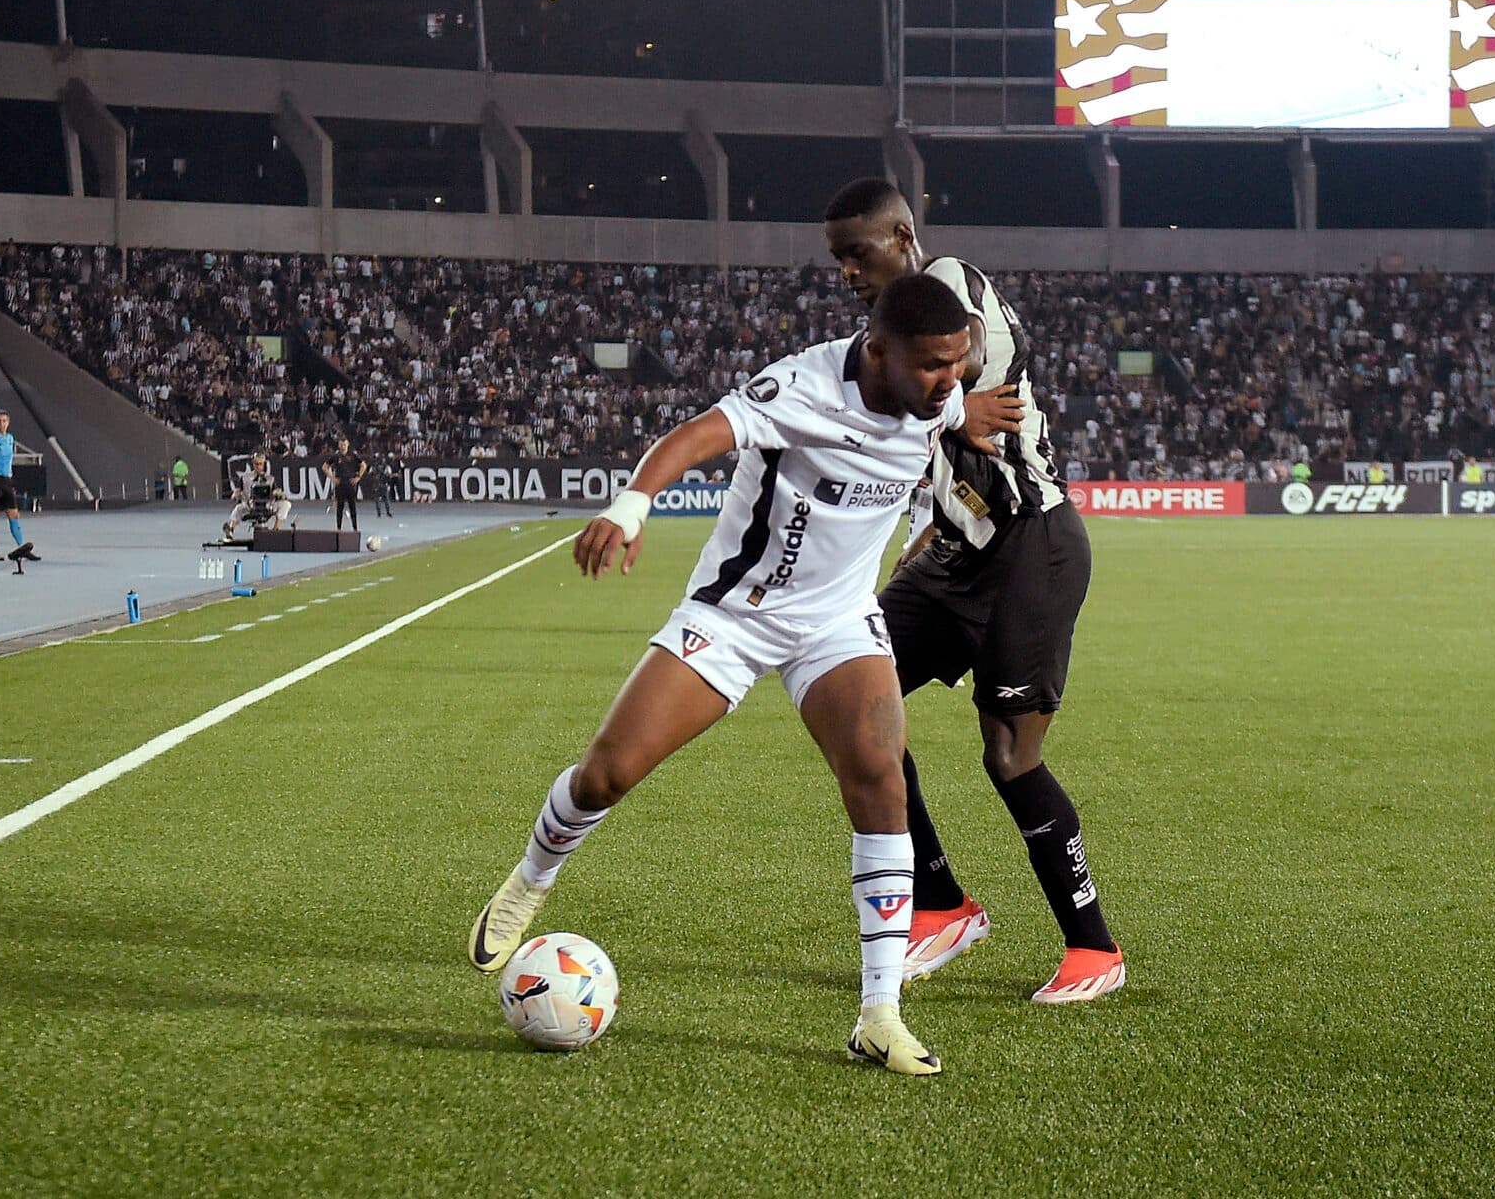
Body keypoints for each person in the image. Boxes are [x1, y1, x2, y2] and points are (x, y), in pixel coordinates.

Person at [467, 275, 1022, 1075]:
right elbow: (696, 435)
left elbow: (949, 405)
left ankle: (879, 1016)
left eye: (957, 363)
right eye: (935, 365)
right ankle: (530, 879)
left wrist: (967, 411)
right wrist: (633, 503)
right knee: (606, 774)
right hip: (736, 614)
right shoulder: (803, 387)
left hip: (837, 621)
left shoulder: (937, 392)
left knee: (880, 778)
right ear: (878, 352)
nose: (950, 379)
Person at [822, 178, 1125, 1004]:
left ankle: (1094, 947)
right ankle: (942, 905)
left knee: (1009, 754)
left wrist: (943, 400)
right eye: (838, 259)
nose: (847, 272)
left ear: (901, 236)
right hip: (957, 553)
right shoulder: (881, 342)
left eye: (858, 253)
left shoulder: (949, 280)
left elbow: (974, 363)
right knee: (853, 697)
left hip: (1033, 546)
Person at [0, 410, 36, 563]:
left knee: (14, 514)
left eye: (4, 421)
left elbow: (8, 461)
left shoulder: (10, 439)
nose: (1, 424)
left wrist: (10, 479)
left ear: (8, 423)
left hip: (6, 480)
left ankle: (22, 548)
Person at [223, 453, 293, 538]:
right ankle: (230, 530)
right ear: (253, 464)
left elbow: (276, 491)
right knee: (238, 508)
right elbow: (237, 491)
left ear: (264, 464)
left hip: (267, 506)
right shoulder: (244, 478)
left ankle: (276, 529)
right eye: (256, 464)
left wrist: (279, 494)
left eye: (261, 464)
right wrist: (235, 495)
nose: (259, 466)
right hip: (250, 506)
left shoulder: (270, 478)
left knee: (286, 504)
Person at [325, 437, 367, 533]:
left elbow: (363, 465)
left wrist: (358, 477)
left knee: (352, 507)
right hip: (340, 484)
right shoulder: (336, 456)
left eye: (344, 445)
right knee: (340, 507)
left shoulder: (353, 455)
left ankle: (355, 528)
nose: (343, 446)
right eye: (341, 445)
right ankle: (339, 528)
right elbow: (325, 467)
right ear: (339, 445)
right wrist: (332, 478)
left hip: (350, 484)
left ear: (348, 445)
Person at [370, 453, 394, 518]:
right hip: (382, 484)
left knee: (379, 499)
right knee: (385, 499)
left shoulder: (374, 467)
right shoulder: (386, 467)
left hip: (378, 484)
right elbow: (389, 475)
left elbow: (371, 474)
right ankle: (387, 512)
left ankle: (380, 513)